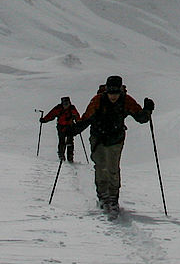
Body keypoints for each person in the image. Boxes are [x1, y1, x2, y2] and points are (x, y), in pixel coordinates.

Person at [66, 75, 154, 213]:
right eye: (111, 93)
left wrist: (147, 110)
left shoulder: (126, 100)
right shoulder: (97, 101)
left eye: (116, 93)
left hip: (115, 139)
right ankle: (103, 196)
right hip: (98, 138)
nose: (113, 96)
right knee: (101, 167)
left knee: (112, 168)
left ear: (120, 91)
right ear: (106, 91)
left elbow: (140, 118)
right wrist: (72, 131)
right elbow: (86, 119)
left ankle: (113, 197)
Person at [39, 96, 80, 163]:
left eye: (67, 103)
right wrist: (44, 120)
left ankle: (70, 157)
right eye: (65, 103)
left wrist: (79, 123)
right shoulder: (58, 108)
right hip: (61, 127)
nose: (66, 105)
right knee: (62, 141)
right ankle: (61, 155)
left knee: (70, 141)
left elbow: (77, 116)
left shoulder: (72, 108)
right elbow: (51, 115)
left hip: (70, 126)